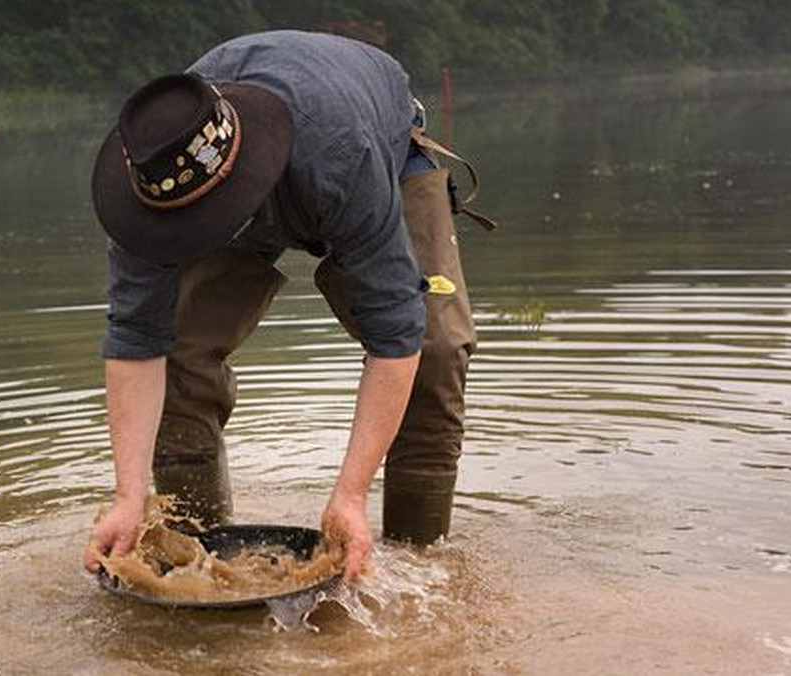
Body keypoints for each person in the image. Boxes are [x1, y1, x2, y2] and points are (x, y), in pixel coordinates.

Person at [83, 30, 490, 583]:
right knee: (180, 348)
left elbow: (394, 334)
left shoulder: (341, 154)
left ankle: (417, 570)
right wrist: (129, 495)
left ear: (235, 179)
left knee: (436, 347)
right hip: (214, 183)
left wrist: (350, 494)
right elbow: (136, 340)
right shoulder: (151, 179)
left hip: (379, 152)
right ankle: (196, 556)